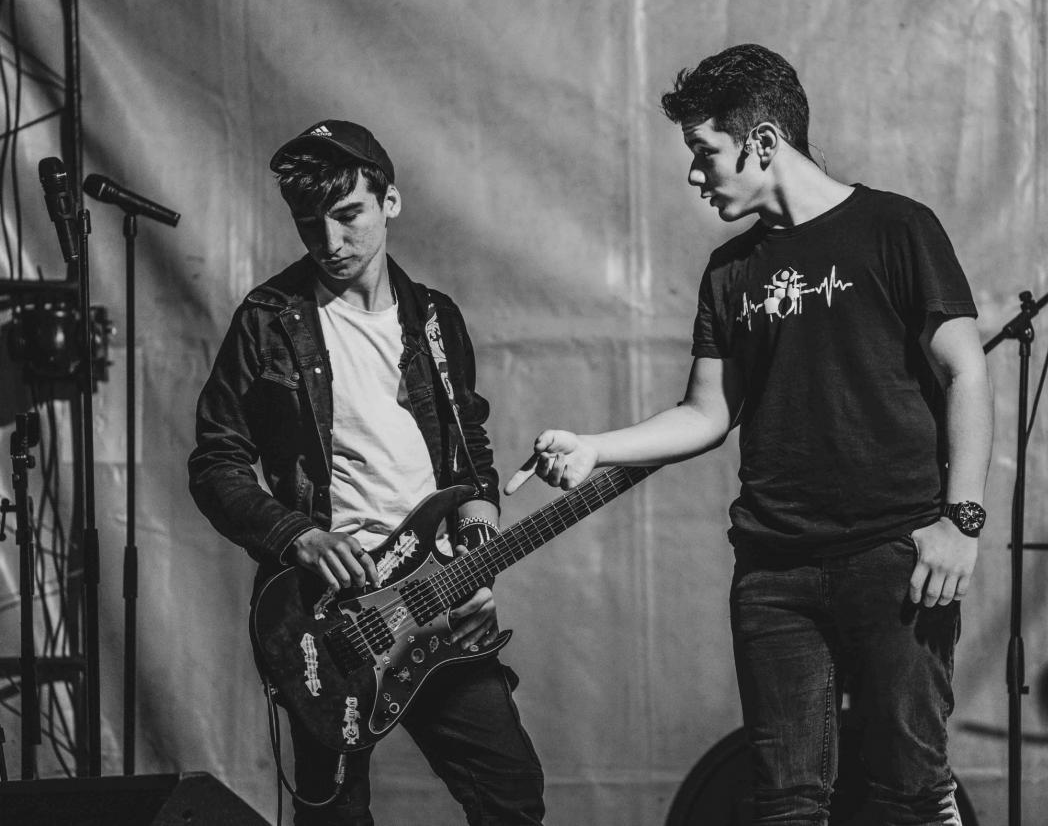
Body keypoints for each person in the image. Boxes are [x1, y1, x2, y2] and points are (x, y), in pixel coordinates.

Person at [506, 45, 992, 825]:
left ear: (762, 142)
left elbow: (966, 371)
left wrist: (960, 523)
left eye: (705, 152)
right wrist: (596, 448)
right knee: (785, 804)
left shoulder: (897, 228)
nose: (694, 175)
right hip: (775, 572)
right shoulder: (730, 271)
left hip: (894, 555)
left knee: (908, 794)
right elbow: (706, 413)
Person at [189, 119, 545, 825]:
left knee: (511, 797)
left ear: (391, 202)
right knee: (336, 818)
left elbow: (469, 458)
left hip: (437, 604)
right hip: (329, 622)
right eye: (309, 224)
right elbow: (215, 461)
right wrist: (297, 537)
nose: (329, 241)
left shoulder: (436, 321)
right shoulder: (269, 320)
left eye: (348, 215)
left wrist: (479, 558)